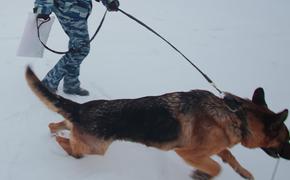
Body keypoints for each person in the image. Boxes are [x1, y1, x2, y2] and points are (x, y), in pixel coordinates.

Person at [34, 0, 120, 96]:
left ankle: (71, 84)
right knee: (81, 50)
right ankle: (48, 83)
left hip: (79, 10)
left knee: (77, 47)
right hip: (67, 10)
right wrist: (42, 9)